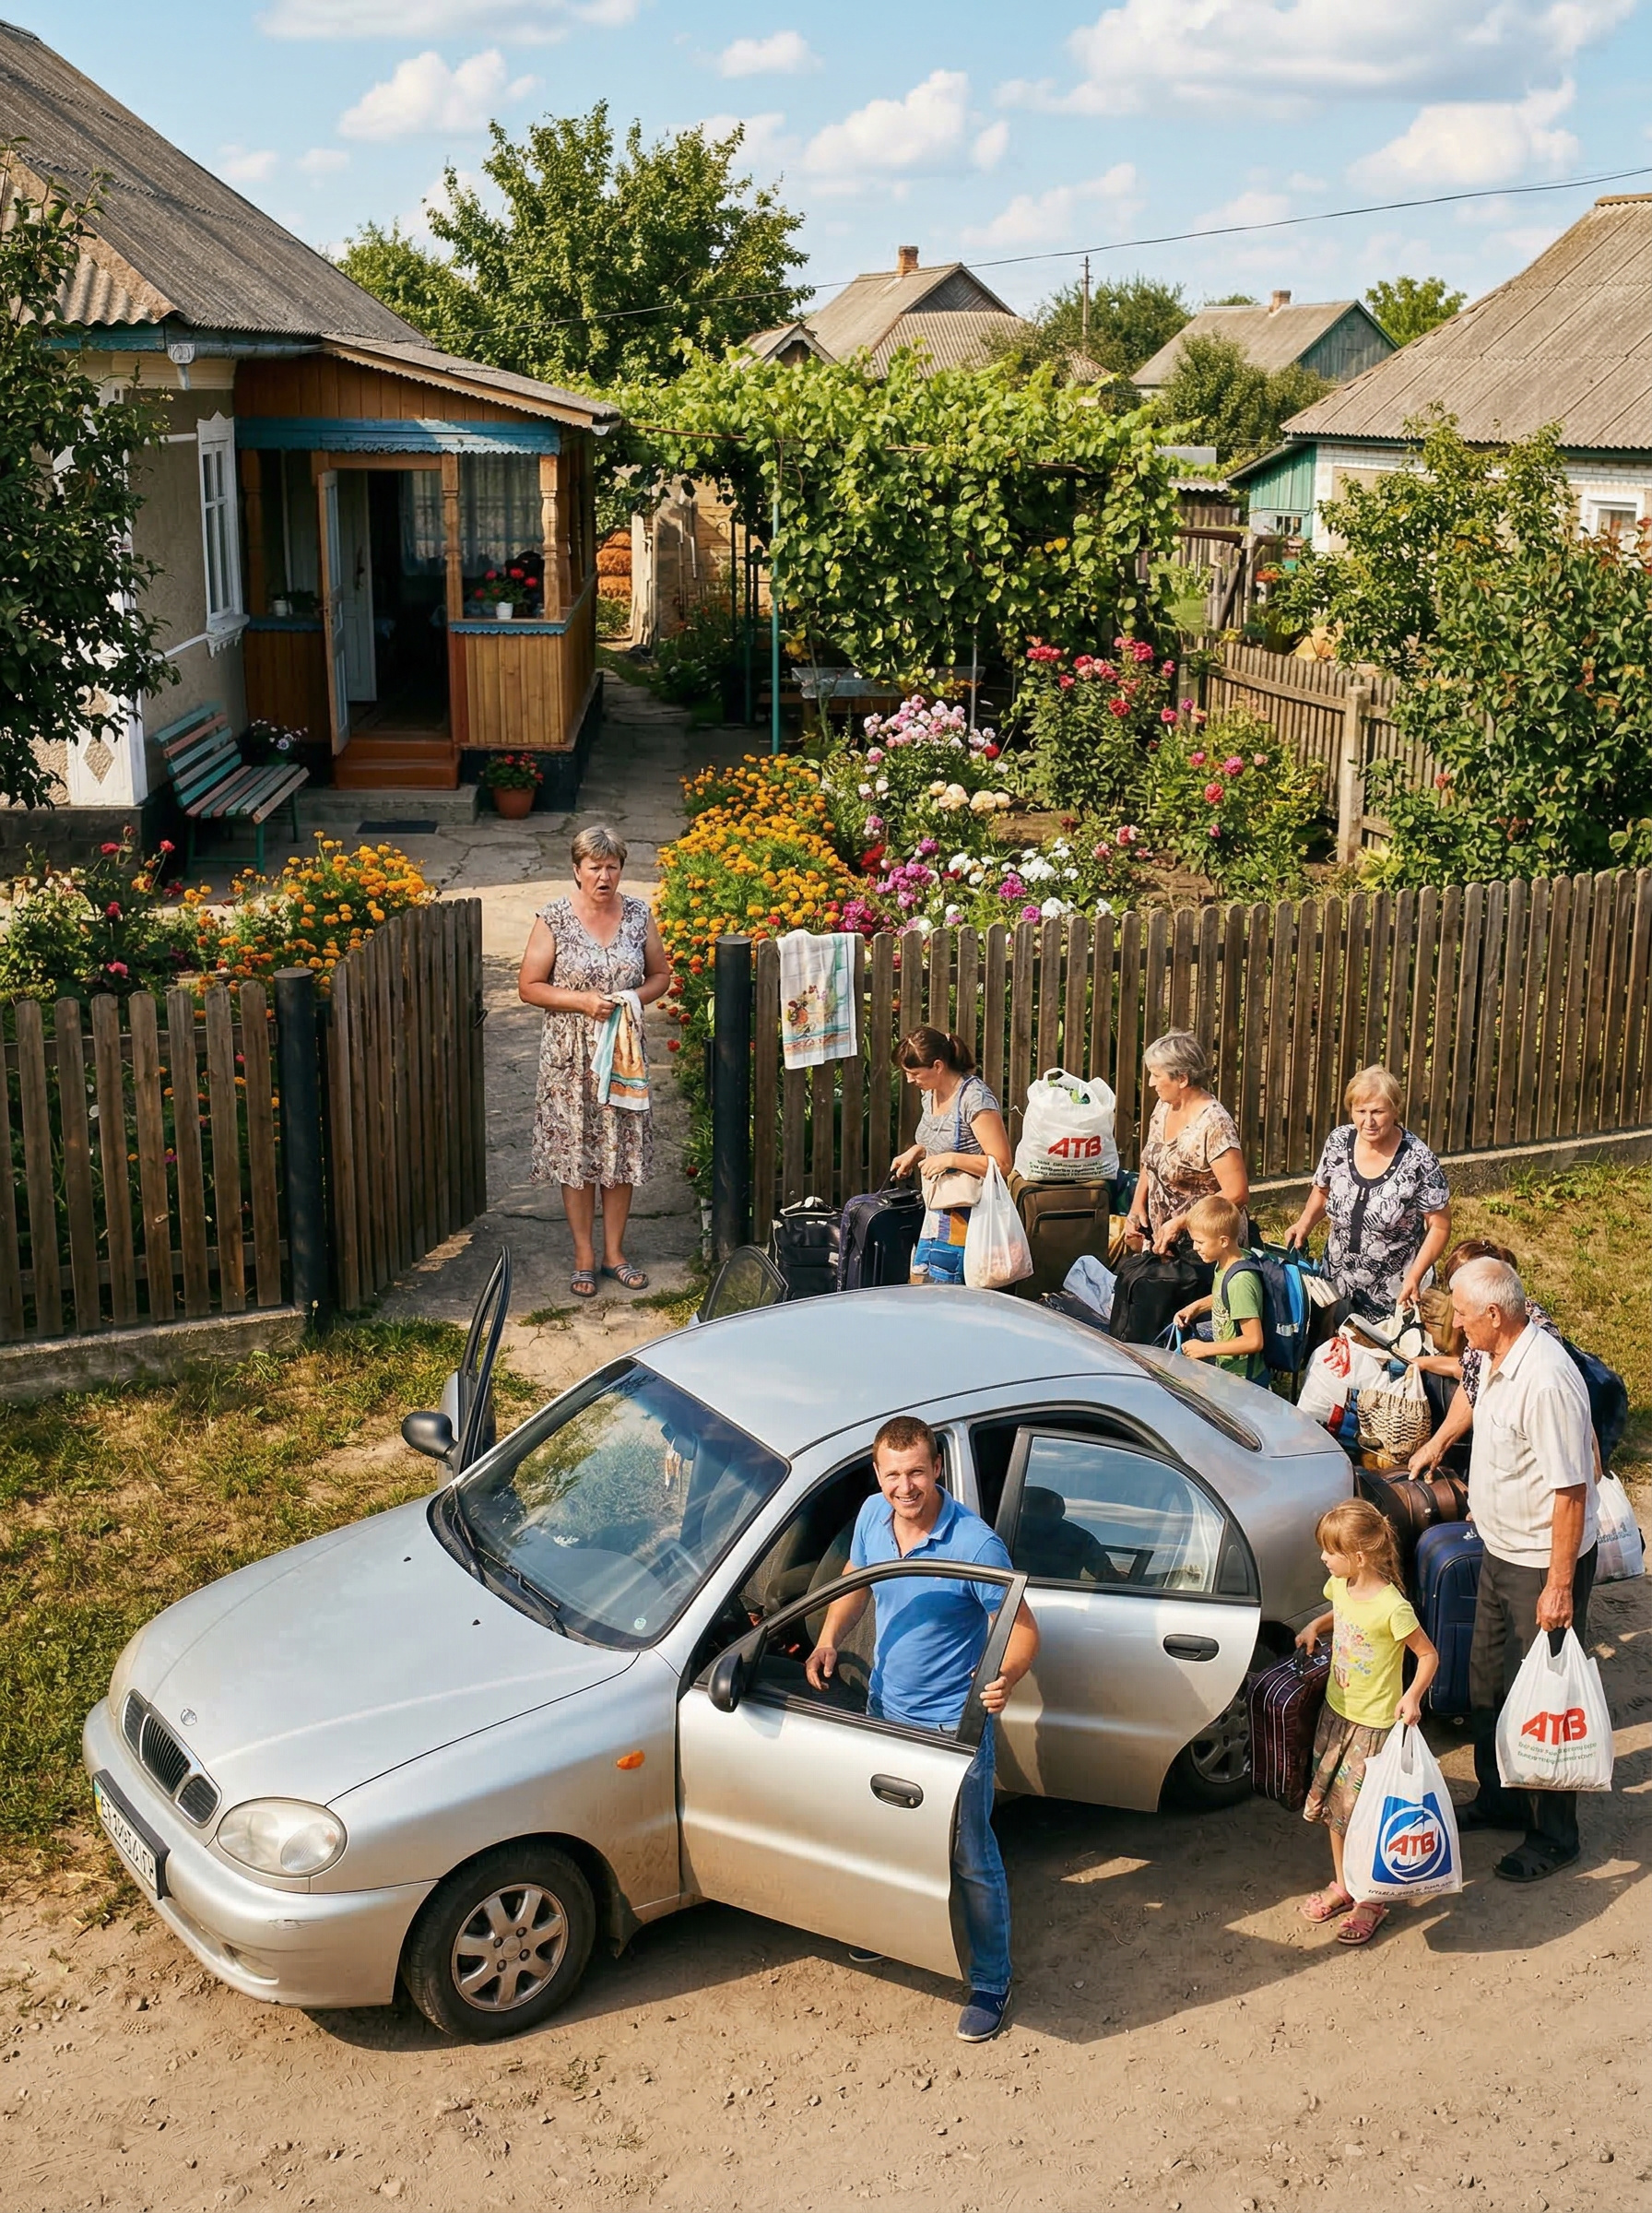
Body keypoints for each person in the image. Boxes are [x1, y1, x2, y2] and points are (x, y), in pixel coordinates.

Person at [805, 1416, 1039, 2041]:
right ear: (876, 1475)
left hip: (950, 1725)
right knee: (890, 1833)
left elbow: (1022, 1630)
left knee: (969, 1853)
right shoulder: (869, 1517)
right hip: (885, 1707)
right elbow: (857, 1580)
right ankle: (892, 1936)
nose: (905, 1487)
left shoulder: (975, 1545)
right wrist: (829, 1638)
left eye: (916, 1472)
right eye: (892, 1475)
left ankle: (992, 1980)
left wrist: (1005, 1677)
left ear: (937, 1467)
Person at [1446, 1256, 1599, 1882]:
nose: (1455, 1326)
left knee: (1541, 1700)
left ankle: (1554, 1833)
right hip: (1500, 1550)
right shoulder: (1493, 1359)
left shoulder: (1546, 1379)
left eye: (1461, 1313)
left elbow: (1570, 1490)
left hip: (1542, 1563)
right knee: (1488, 1685)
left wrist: (1559, 1585)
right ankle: (1501, 1796)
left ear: (1494, 1314)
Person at [518, 825, 672, 1299]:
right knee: (577, 1154)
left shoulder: (639, 914)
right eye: (595, 867)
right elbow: (529, 986)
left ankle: (615, 1253)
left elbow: (660, 975)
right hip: (570, 1059)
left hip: (622, 1053)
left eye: (612, 867)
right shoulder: (555, 919)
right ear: (577, 870)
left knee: (620, 1152)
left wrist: (631, 998)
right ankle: (584, 1255)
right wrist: (581, 1001)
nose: (604, 876)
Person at [1295, 1498, 1440, 1945]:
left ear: (1357, 1556)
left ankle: (1371, 1901)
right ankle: (1343, 1884)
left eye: (1329, 1551)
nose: (1323, 1558)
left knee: (1365, 1817)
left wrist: (1413, 1696)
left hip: (1374, 1726)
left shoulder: (1393, 1607)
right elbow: (1343, 1613)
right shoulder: (1341, 1585)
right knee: (1336, 1812)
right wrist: (1316, 1626)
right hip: (1337, 1715)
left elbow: (1428, 1654)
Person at [1286, 1066, 1451, 1322]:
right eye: (1360, 1111)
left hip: (1395, 1291)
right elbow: (1322, 1190)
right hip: (1337, 1282)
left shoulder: (1419, 1160)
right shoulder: (1338, 1142)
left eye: (1378, 1112)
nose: (1368, 1121)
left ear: (1395, 1110)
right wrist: (1303, 1225)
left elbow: (1439, 1226)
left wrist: (1415, 1276)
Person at [1408, 1239, 1564, 1477]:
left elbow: (1567, 1485)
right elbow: (1471, 1383)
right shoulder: (1483, 1334)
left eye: (1461, 1311)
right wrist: (1436, 1446)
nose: (1455, 1322)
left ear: (1491, 1310)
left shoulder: (1542, 1364)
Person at [890, 1027, 1012, 1284]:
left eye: (913, 1073)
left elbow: (1002, 1164)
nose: (910, 1080)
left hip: (969, 1218)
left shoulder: (975, 1099)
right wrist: (916, 1151)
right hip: (937, 1213)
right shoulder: (929, 1094)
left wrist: (951, 1160)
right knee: (927, 1289)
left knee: (954, 1293)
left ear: (937, 1066)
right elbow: (938, 1140)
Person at [1121, 1032, 1249, 1260]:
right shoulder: (1164, 1106)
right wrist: (1136, 1206)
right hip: (1164, 1241)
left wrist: (1181, 1222)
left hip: (1205, 1248)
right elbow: (1151, 1161)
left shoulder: (1215, 1124)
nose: (1150, 1083)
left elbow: (1237, 1192)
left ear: (1182, 1079)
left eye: (1156, 1076)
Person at [1174, 1194, 1267, 1382]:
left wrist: (1205, 1348)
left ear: (1223, 1241)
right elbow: (1224, 1296)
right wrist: (1196, 1307)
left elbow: (1254, 1340)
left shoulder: (1240, 1280)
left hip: (1244, 1380)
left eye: (1200, 1242)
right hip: (1229, 1372)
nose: (1195, 1247)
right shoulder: (1225, 1265)